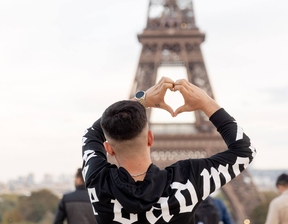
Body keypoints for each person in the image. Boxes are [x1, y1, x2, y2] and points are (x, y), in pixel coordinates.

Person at [81, 77, 256, 224]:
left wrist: (142, 99)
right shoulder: (189, 179)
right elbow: (244, 150)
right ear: (150, 138)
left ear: (108, 149)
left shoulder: (98, 180)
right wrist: (206, 103)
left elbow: (92, 133)